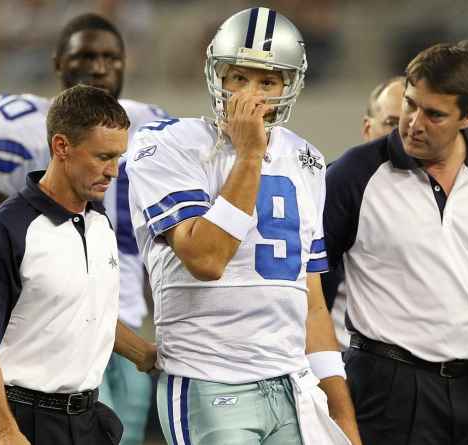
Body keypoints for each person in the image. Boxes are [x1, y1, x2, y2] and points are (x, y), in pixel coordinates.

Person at [126, 7, 361, 445]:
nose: (250, 95)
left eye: (267, 82)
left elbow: (309, 302)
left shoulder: (306, 160)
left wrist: (340, 410)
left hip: (291, 384)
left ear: (290, 86)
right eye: (239, 78)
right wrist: (250, 154)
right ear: (217, 76)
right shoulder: (169, 144)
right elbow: (207, 258)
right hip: (210, 380)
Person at [0, 13, 167, 445]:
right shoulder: (2, 231)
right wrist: (5, 430)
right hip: (18, 414)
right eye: (102, 158)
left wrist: (149, 356)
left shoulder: (97, 225)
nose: (115, 172)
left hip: (84, 415)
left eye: (118, 157)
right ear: (61, 147)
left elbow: (89, 313)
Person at [323, 41, 468, 444]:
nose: (414, 123)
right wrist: (327, 392)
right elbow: (309, 287)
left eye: (434, 114)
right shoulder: (352, 174)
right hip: (386, 386)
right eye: (411, 105)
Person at [326, 76, 406, 350]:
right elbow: (312, 293)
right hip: (350, 361)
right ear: (367, 127)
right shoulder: (337, 187)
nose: (405, 133)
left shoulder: (449, 194)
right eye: (392, 123)